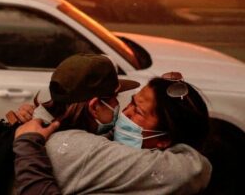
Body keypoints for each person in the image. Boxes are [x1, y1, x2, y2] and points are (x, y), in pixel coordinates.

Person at [12, 56, 211, 195]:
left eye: (136, 109)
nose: (123, 112)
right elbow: (193, 168)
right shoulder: (88, 151)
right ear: (95, 106)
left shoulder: (39, 129)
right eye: (121, 100)